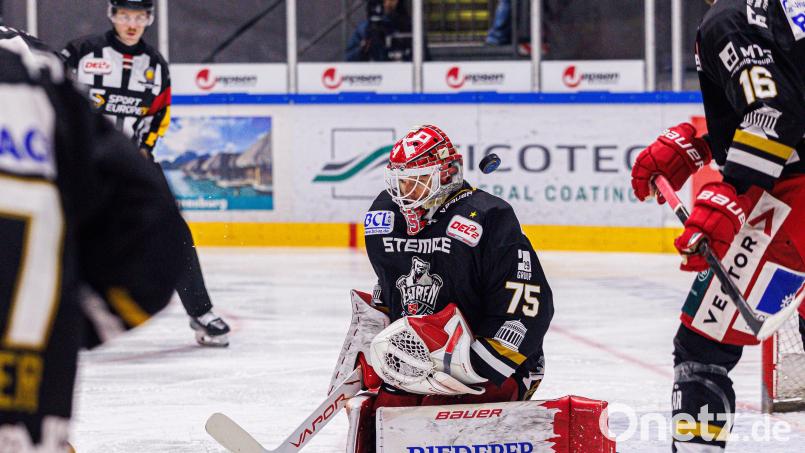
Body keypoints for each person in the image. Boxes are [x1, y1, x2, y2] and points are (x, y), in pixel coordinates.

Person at [631, 0, 805, 451]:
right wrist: (707, 147)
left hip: (792, 201)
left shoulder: (728, 16)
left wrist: (733, 192)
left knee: (703, 344)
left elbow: (774, 115)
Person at [0, 44, 185, 451]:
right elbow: (155, 232)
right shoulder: (40, 79)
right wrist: (62, 324)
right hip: (24, 419)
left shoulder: (147, 64)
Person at [336, 125, 553, 452]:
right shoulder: (384, 215)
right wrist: (371, 349)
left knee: (453, 426)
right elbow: (389, 291)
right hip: (420, 358)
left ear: (446, 174)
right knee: (384, 418)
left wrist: (474, 365)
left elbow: (528, 306)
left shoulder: (487, 217)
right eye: (400, 181)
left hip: (487, 360)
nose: (405, 191)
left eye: (416, 180)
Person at [60, 0, 231, 346]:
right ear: (112, 15)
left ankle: (201, 311)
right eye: (125, 15)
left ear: (149, 19)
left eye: (139, 16)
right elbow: (53, 91)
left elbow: (159, 113)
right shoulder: (81, 51)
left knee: (172, 229)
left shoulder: (154, 64)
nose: (131, 23)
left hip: (131, 162)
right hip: (78, 160)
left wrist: (143, 149)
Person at [346, 0, 412, 62]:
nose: (389, 2)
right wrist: (362, 50)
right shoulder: (364, 29)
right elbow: (350, 59)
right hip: (372, 70)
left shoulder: (407, 26)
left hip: (399, 69)